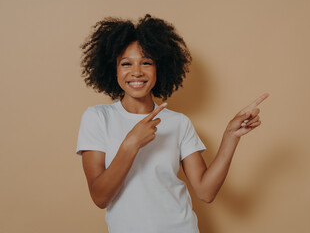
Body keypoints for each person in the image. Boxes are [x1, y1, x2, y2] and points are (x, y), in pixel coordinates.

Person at [76, 14, 269, 233]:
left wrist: (230, 136)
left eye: (146, 62)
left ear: (160, 67)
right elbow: (99, 196)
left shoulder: (178, 123)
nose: (137, 71)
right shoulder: (97, 118)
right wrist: (131, 144)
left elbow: (206, 192)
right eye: (126, 63)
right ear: (114, 69)